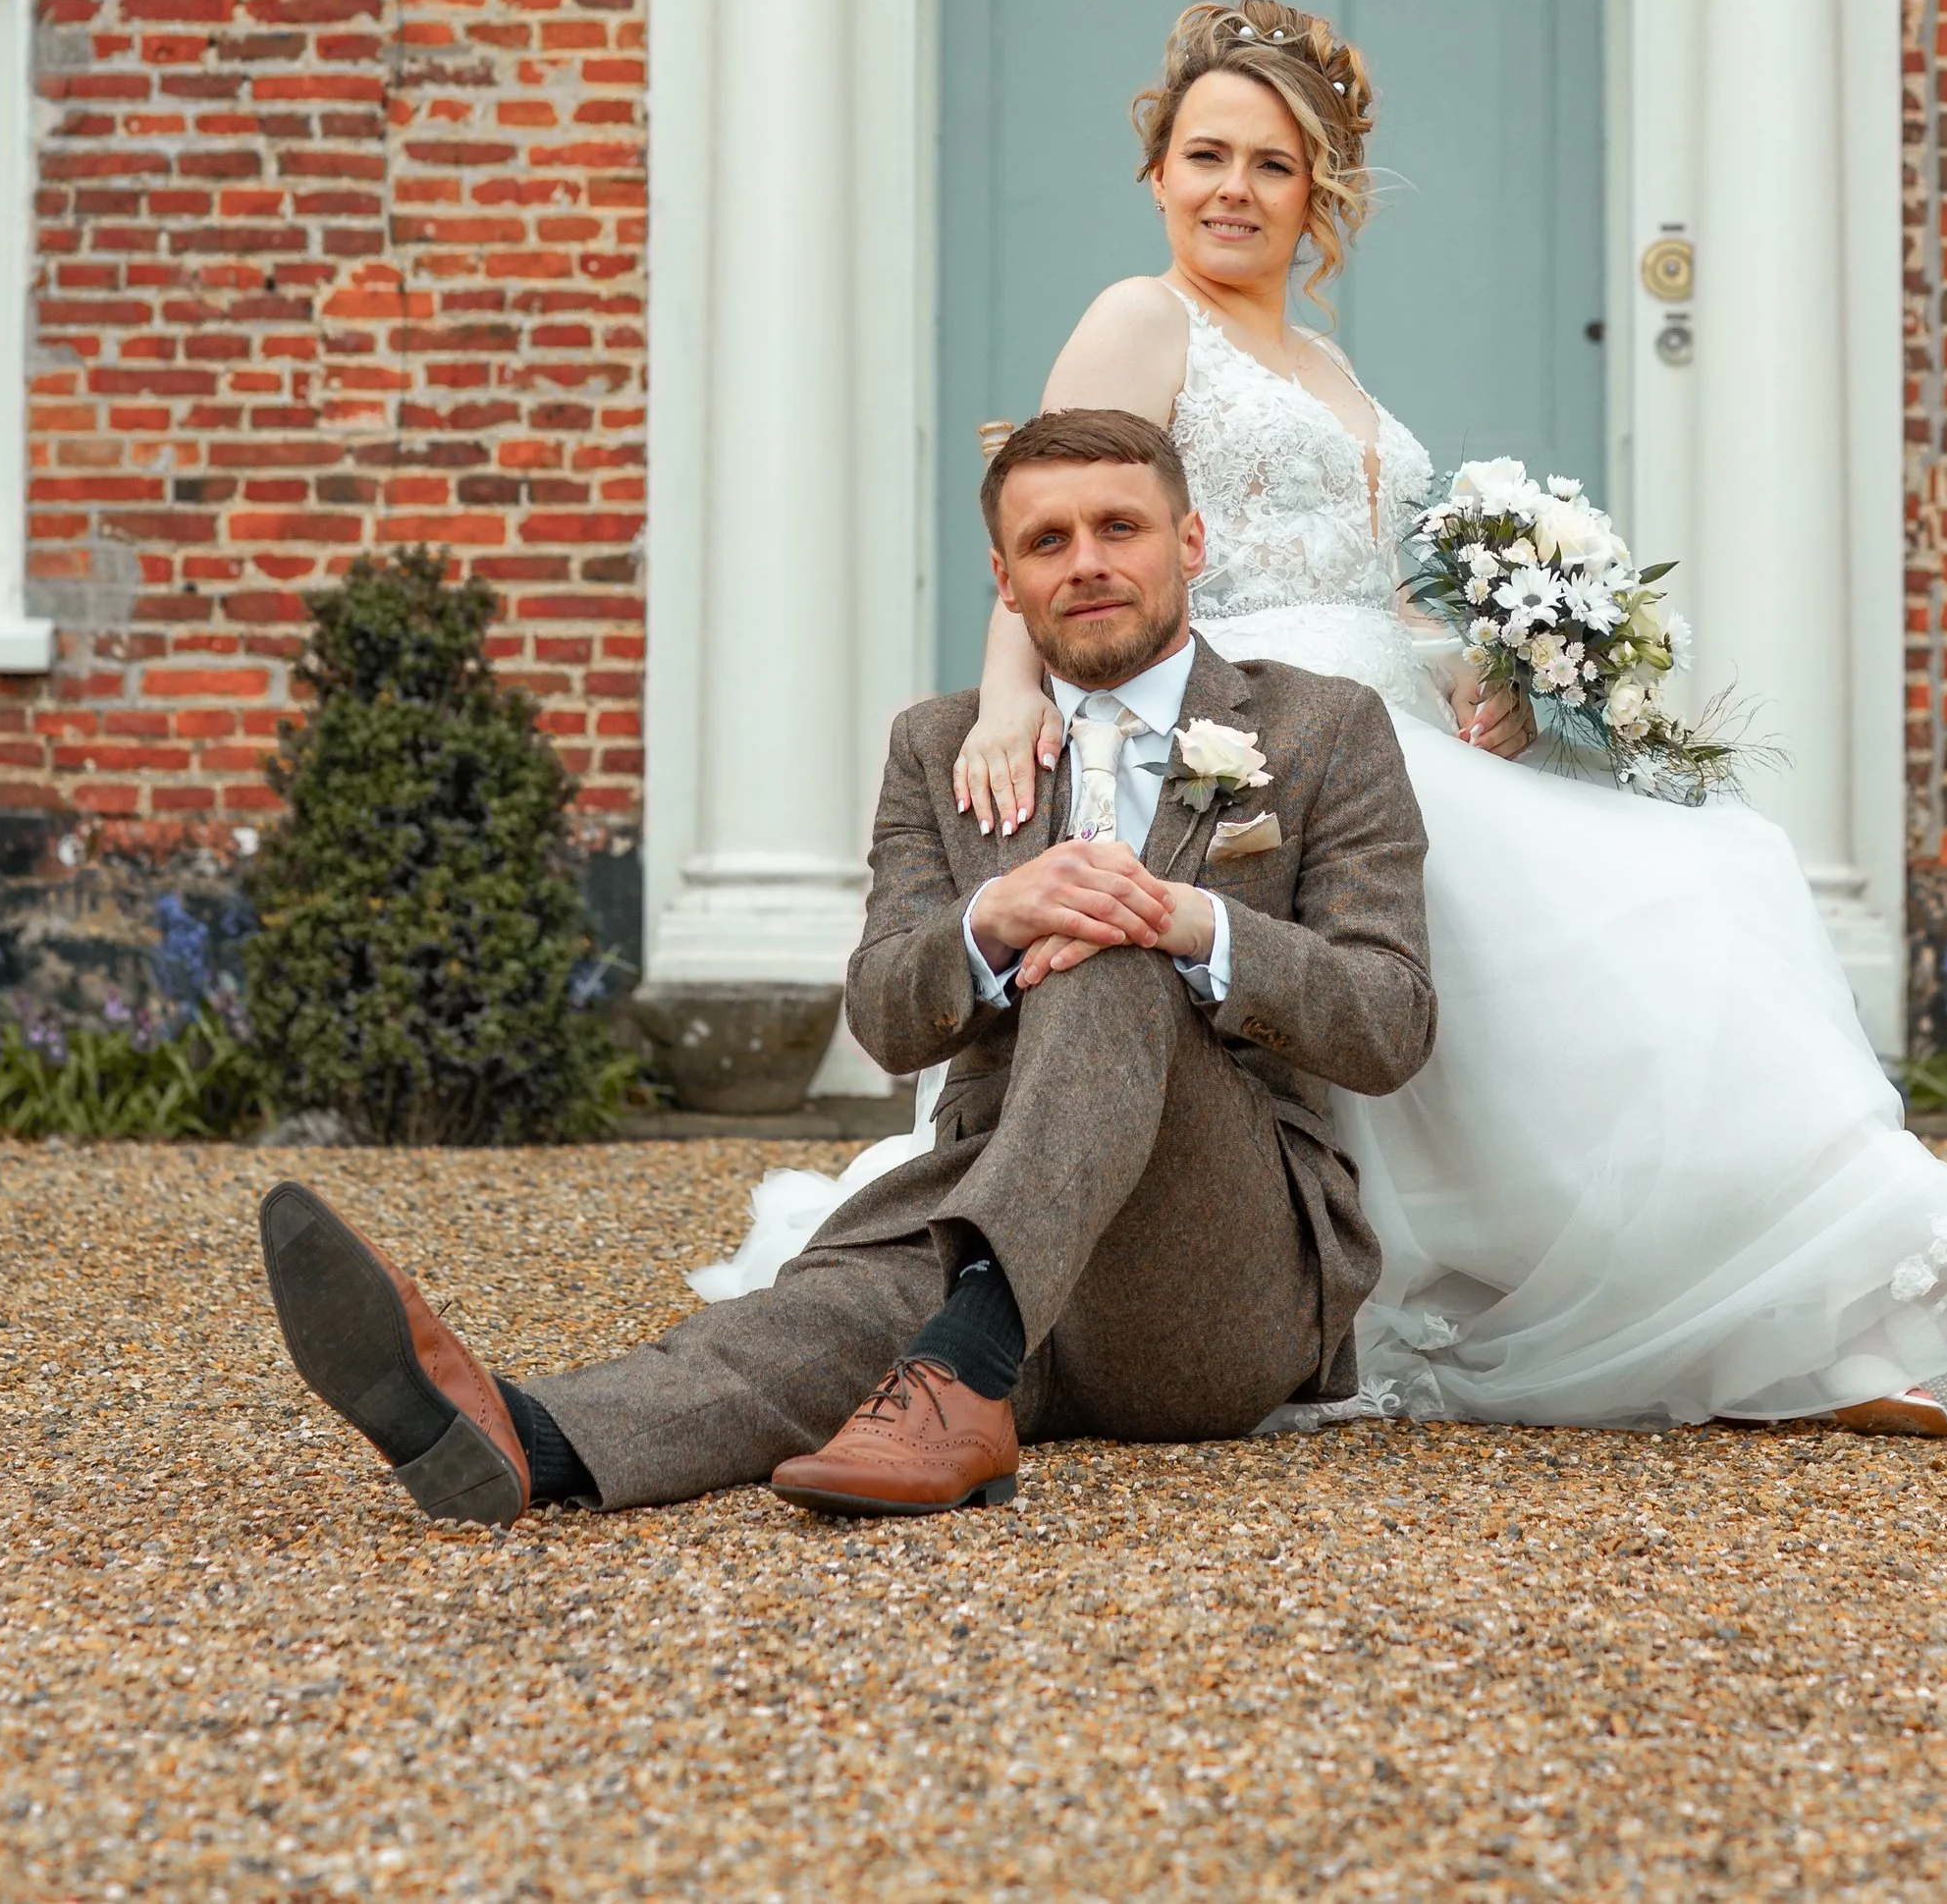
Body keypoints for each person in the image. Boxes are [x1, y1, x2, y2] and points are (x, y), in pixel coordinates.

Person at [911, 0, 1947, 1439]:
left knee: (1717, 864)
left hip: (1393, 727)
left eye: (1269, 163)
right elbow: (1064, 522)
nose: (1233, 189)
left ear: (1317, 192)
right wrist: (1010, 701)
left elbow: (1375, 586)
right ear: (1157, 175)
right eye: (1206, 155)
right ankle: (1933, 1292)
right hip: (1254, 739)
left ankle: (1841, 1309)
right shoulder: (1141, 319)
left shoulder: (1325, 363)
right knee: (1652, 907)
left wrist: (1479, 665)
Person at [258, 408, 1435, 1522]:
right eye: (1047, 541)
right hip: (1000, 1241)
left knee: (1111, 947)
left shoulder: (1320, 731)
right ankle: (527, 1441)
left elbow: (1389, 1021)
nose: (1085, 561)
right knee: (803, 1329)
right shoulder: (938, 746)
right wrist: (989, 919)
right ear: (1004, 577)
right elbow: (883, 1016)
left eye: (1118, 528)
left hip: (1217, 1282)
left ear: (1188, 541)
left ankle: (962, 1354)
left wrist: (1183, 921)